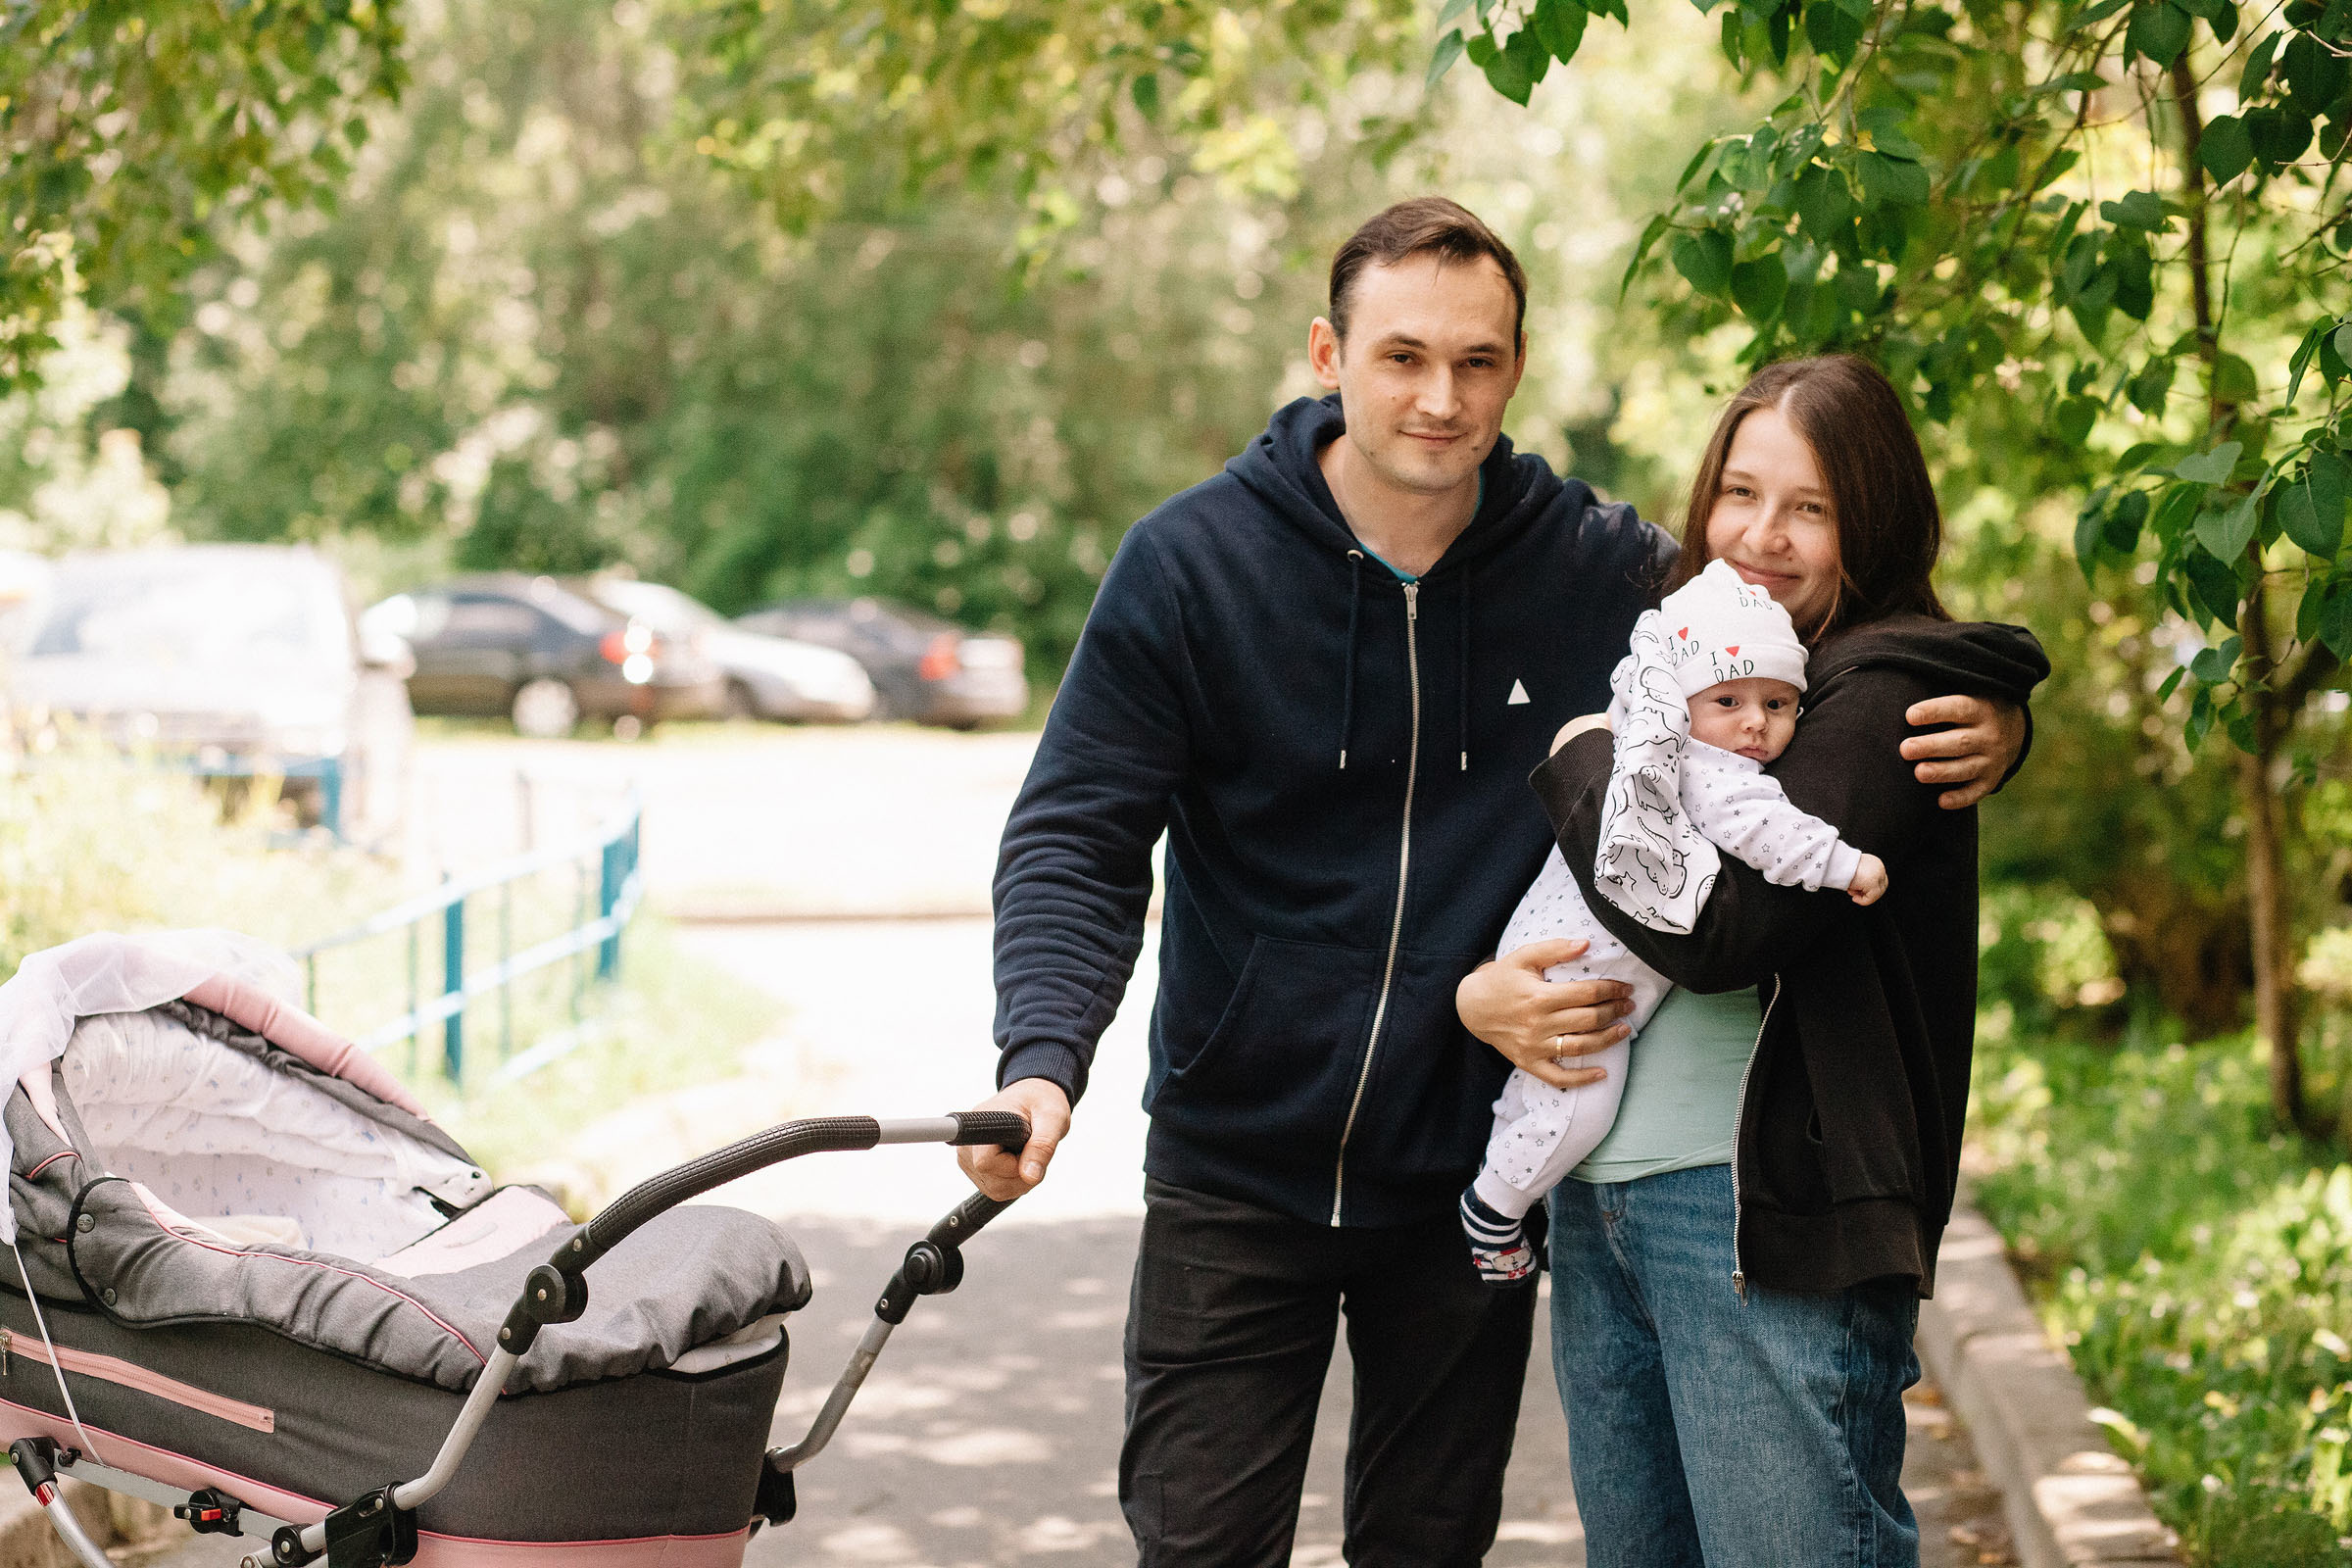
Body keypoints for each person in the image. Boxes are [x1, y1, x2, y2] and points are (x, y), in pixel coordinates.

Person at [959, 201, 2028, 1567]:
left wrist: (1995, 711)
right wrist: (1041, 1060)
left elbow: (1830, 639)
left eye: (1477, 361)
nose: (1440, 397)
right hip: (1240, 1165)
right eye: (1402, 357)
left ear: (1517, 369)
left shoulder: (1606, 572)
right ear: (1327, 354)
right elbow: (1076, 834)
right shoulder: (1191, 567)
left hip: (1466, 1175)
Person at [1457, 354, 2050, 1568]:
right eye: (1739, 493)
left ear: (1871, 519)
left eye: (1812, 506)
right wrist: (1479, 991)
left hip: (1754, 1223)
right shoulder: (1699, 658)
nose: (1760, 536)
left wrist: (1584, 754)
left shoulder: (1888, 685)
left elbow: (1725, 934)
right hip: (1601, 1195)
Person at [1457, 558, 1886, 1284]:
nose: (1755, 722)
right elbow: (1766, 833)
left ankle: (1503, 1185)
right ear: (1686, 704)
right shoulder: (1706, 767)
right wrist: (1847, 865)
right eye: (1729, 700)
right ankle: (1494, 1208)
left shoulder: (1649, 747)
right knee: (1580, 1108)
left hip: (1551, 943)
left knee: (1547, 1095)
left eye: (1778, 704)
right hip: (1577, 968)